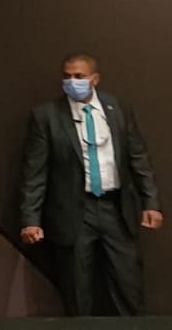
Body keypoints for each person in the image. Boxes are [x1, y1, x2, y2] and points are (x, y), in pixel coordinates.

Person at [19, 53, 163, 316]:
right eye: (67, 76)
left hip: (115, 208)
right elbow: (35, 173)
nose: (72, 82)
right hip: (74, 211)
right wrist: (31, 219)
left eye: (79, 76)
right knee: (77, 291)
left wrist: (151, 202)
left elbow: (138, 157)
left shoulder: (118, 109)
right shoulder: (47, 116)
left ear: (95, 79)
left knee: (128, 284)